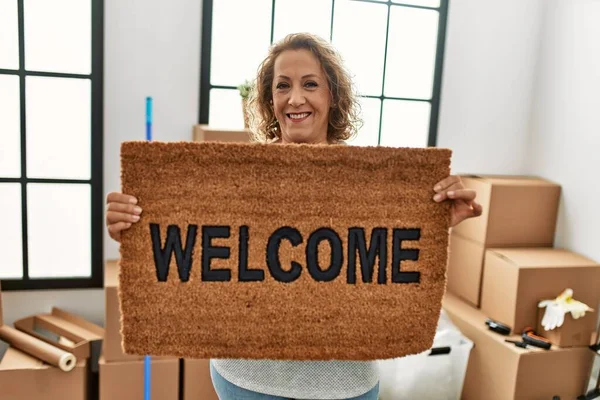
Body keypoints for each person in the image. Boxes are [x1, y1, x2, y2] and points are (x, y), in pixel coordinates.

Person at [106, 33, 483, 400]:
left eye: (310, 84)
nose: (295, 98)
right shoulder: (238, 176)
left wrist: (431, 221)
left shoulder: (371, 180)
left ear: (332, 96)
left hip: (345, 385)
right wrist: (138, 226)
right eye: (282, 86)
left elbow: (385, 253)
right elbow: (194, 243)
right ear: (270, 100)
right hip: (246, 380)